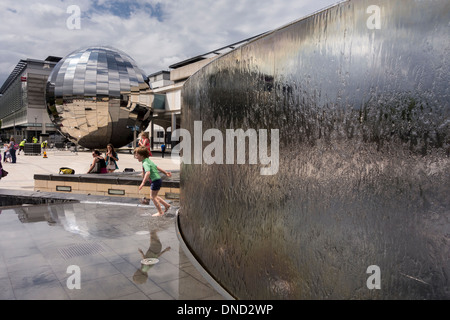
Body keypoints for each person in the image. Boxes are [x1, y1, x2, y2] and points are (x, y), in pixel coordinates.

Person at [134, 146, 171, 217]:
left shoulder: (145, 163)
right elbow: (156, 167)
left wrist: (143, 183)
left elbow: (148, 173)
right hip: (158, 180)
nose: (136, 157)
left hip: (155, 181)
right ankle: (166, 205)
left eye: (137, 155)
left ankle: (160, 212)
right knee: (155, 196)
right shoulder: (148, 160)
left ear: (142, 155)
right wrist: (165, 172)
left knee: (153, 197)